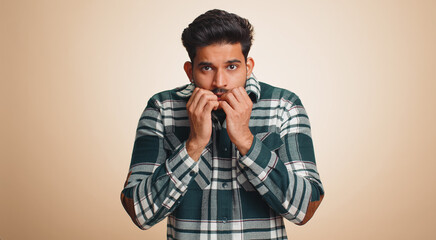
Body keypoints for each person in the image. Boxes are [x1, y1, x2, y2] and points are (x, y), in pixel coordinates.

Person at [120, 9, 324, 240]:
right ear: (190, 71)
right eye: (207, 68)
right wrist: (194, 145)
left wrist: (246, 141)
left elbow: (305, 208)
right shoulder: (162, 108)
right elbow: (139, 213)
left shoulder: (284, 106)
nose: (219, 82)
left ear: (248, 66)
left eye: (232, 67)